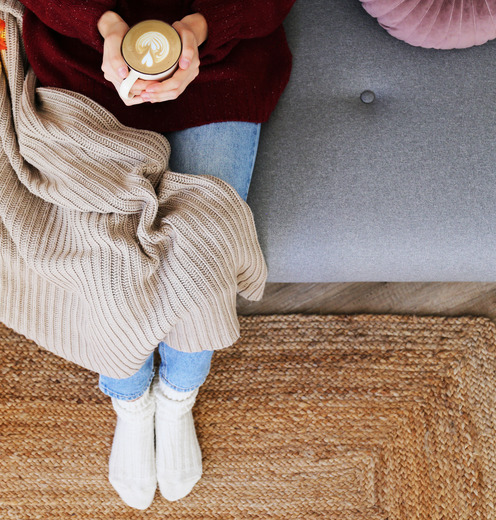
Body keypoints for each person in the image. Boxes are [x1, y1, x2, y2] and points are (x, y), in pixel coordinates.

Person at [18, 0, 296, 509]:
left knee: (201, 250)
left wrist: (202, 28)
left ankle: (175, 399)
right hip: (84, 71)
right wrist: (100, 24)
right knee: (106, 258)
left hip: (219, 69)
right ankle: (130, 402)